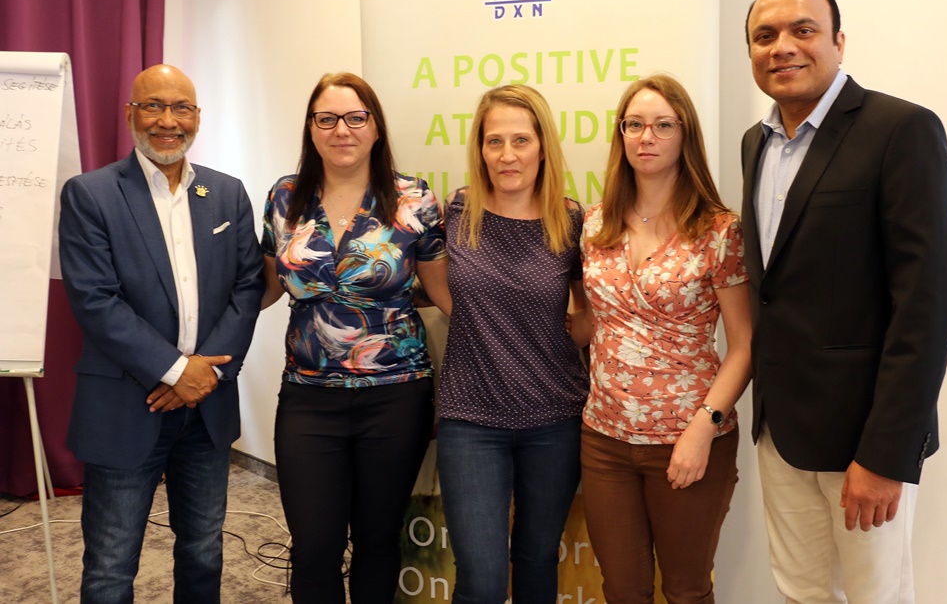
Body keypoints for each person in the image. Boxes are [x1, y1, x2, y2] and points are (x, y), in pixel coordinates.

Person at [741, 0, 947, 604]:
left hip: (864, 439)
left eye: (802, 30)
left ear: (838, 41)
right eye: (764, 35)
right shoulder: (756, 143)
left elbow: (926, 306)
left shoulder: (901, 129)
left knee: (875, 596)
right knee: (801, 593)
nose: (782, 46)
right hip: (781, 432)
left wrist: (888, 453)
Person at [58, 64, 264, 603]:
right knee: (110, 566)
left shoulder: (226, 193)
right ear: (130, 113)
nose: (168, 121)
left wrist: (203, 376)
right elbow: (96, 301)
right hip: (127, 405)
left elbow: (248, 288)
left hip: (207, 407)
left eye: (181, 108)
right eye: (153, 106)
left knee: (204, 550)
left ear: (197, 117)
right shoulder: (90, 194)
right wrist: (177, 372)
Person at [260, 72, 449, 603]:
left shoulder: (413, 198)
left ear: (375, 127)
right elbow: (265, 288)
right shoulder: (285, 196)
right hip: (308, 396)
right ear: (311, 128)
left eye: (355, 117)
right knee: (313, 547)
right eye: (327, 119)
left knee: (377, 542)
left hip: (396, 396)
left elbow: (444, 293)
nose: (341, 130)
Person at [578, 74, 752, 604]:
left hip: (688, 437)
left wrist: (704, 428)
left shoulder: (718, 230)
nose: (646, 137)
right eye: (634, 125)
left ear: (685, 135)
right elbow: (593, 322)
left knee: (686, 591)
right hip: (604, 439)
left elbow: (745, 344)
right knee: (622, 591)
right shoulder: (595, 224)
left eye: (662, 125)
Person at [435, 84, 589, 603]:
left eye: (521, 140)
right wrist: (485, 322)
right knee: (480, 579)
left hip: (554, 417)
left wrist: (561, 330)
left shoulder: (570, 221)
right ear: (479, 148)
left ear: (543, 146)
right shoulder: (457, 213)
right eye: (494, 141)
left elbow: (590, 312)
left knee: (537, 560)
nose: (507, 155)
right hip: (470, 419)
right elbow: (436, 287)